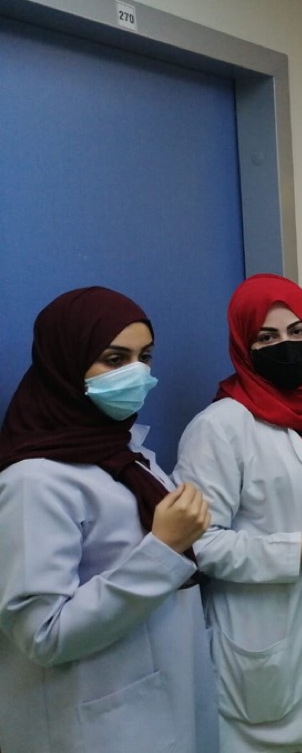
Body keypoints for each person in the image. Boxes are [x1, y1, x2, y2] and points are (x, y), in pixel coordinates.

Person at [0, 287, 217, 753]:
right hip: (100, 722)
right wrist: (162, 550)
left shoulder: (128, 453)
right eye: (115, 359)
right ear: (66, 363)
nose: (136, 373)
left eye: (145, 357)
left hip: (165, 696)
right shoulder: (34, 481)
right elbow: (42, 634)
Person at [175, 274, 302, 753]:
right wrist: (293, 550)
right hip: (264, 627)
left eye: (297, 331)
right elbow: (196, 543)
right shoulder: (219, 427)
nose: (287, 345)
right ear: (244, 346)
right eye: (266, 337)